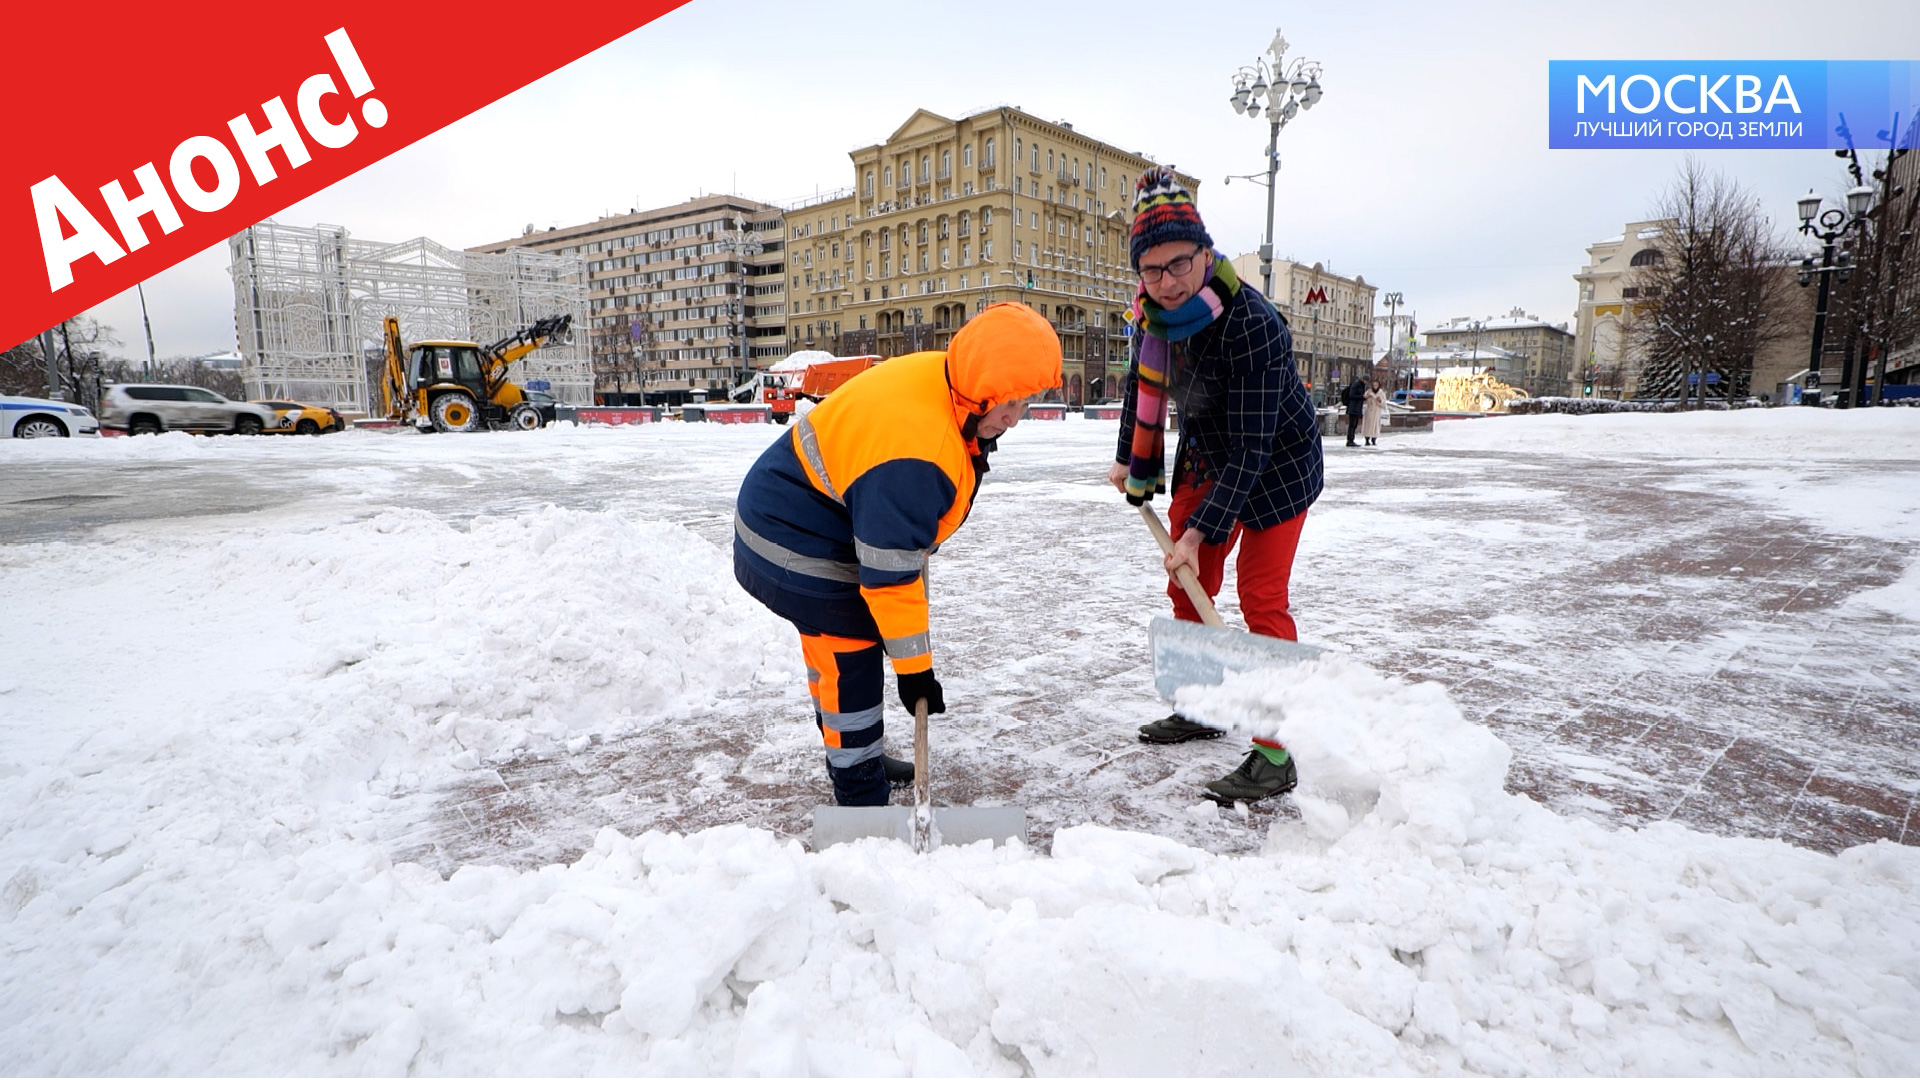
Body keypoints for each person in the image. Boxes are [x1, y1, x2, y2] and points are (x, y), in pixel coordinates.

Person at [733, 304, 1062, 806]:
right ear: (980, 392)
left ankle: (853, 751)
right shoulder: (918, 449)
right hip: (789, 538)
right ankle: (858, 786)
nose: (1014, 420)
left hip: (807, 516)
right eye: (1008, 405)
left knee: (834, 651)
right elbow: (890, 575)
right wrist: (917, 675)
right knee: (850, 649)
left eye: (1028, 403)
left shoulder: (949, 382)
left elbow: (901, 544)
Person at [1109, 167, 1324, 803]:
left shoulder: (1252, 322)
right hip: (1208, 458)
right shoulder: (1152, 319)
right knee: (1188, 583)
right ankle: (1202, 707)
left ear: (1205, 254)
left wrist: (1202, 530)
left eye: (1179, 264)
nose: (1167, 281)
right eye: (1152, 270)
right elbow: (1136, 389)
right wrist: (1129, 458)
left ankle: (1274, 750)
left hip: (1277, 468)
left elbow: (1254, 446)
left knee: (1261, 598)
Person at [1341, 373, 1368, 447]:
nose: (1366, 382)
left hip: (1356, 408)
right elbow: (1351, 395)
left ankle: (1351, 440)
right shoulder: (1356, 385)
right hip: (1353, 408)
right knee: (1352, 425)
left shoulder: (1361, 385)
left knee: (1354, 425)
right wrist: (1362, 397)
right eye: (1365, 380)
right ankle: (1350, 440)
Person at [1361, 378, 1386, 446]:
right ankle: (1367, 439)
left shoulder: (1381, 393)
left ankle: (1374, 439)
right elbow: (1363, 399)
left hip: (1377, 411)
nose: (1375, 386)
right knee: (1368, 425)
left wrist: (1380, 400)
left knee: (1375, 426)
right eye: (1374, 385)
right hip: (1369, 410)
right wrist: (1366, 397)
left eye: (1376, 385)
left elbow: (1384, 403)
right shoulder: (1369, 391)